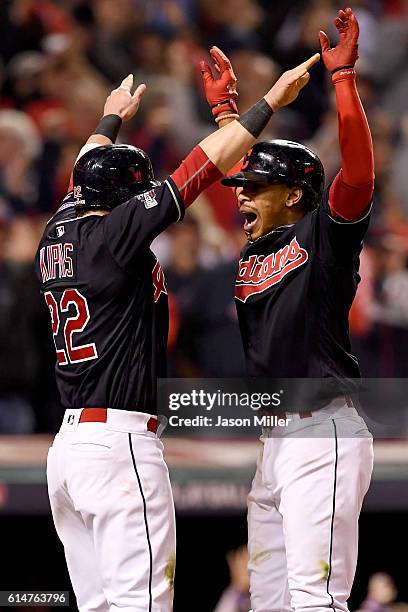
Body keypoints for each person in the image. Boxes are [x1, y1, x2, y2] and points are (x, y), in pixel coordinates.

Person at [35, 51, 320, 612]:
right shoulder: (115, 237)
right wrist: (266, 105)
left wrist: (109, 118)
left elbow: (84, 170)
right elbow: (203, 166)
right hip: (120, 448)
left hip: (68, 451)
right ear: (124, 204)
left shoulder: (59, 226)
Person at [200, 9, 374, 612]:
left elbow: (357, 176)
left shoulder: (322, 238)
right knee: (269, 600)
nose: (240, 194)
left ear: (295, 195)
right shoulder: (257, 243)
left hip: (322, 431)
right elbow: (233, 170)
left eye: (255, 188)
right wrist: (226, 116)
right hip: (276, 443)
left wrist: (344, 79)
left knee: (313, 599)